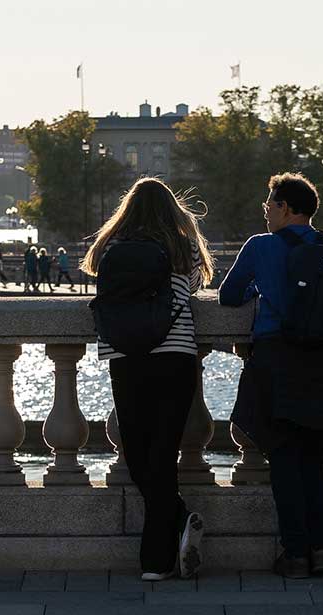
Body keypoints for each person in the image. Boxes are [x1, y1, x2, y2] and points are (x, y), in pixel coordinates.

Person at [220, 173, 323, 580]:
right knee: (315, 456)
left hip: (275, 356)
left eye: (269, 205)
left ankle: (295, 552)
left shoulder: (260, 246)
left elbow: (229, 295)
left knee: (283, 456)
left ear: (285, 207)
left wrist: (260, 290)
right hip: (320, 359)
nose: (265, 212)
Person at [82, 177, 214, 582]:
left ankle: (163, 547)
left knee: (138, 454)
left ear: (128, 209)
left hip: (125, 356)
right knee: (164, 451)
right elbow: (193, 286)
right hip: (174, 355)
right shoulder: (180, 242)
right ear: (171, 208)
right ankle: (163, 549)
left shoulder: (110, 246)